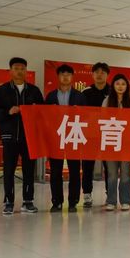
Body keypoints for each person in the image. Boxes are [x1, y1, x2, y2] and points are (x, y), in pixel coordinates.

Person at [0, 57, 44, 215]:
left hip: (29, 137)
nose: (19, 71)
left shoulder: (34, 91)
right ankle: (8, 202)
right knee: (9, 169)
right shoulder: (2, 90)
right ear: (10, 71)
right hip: (9, 136)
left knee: (29, 170)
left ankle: (28, 202)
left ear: (26, 71)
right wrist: (7, 112)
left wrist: (35, 110)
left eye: (22, 68)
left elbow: (42, 112)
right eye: (16, 68)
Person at [45, 64, 86, 213]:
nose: (65, 77)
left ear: (72, 77)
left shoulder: (80, 96)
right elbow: (44, 117)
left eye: (68, 74)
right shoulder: (50, 96)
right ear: (58, 77)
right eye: (62, 74)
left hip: (73, 136)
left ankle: (73, 202)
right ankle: (56, 202)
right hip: (56, 137)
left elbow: (87, 116)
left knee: (74, 171)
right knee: (55, 171)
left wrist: (79, 112)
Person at [102, 74, 130, 211]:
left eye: (123, 84)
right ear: (113, 85)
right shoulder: (107, 101)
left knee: (125, 172)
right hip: (110, 142)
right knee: (111, 173)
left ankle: (125, 200)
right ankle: (111, 200)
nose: (120, 86)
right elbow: (102, 120)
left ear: (127, 86)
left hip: (126, 143)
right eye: (117, 84)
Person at [81, 62, 110, 208]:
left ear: (107, 75)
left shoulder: (112, 91)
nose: (99, 75)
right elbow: (80, 113)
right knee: (87, 166)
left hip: (108, 134)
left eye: (103, 72)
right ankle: (87, 194)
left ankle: (110, 194)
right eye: (97, 72)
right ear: (92, 75)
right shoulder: (86, 92)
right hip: (90, 135)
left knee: (110, 166)